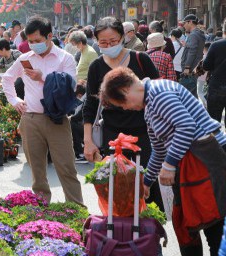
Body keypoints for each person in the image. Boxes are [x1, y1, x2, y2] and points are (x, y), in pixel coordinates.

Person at [100, 67, 226, 256]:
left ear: (126, 90)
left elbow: (186, 126)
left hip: (206, 158)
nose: (125, 108)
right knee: (186, 222)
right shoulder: (149, 106)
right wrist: (147, 181)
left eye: (122, 103)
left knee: (212, 219)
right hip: (191, 161)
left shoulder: (159, 93)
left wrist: (169, 165)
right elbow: (159, 149)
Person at [82, 16, 164, 212]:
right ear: (97, 41)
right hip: (113, 138)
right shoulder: (96, 67)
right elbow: (90, 106)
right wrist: (88, 141)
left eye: (113, 41)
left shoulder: (140, 59)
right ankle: (120, 233)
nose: (109, 45)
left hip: (144, 134)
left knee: (148, 187)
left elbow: (158, 92)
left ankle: (150, 233)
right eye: (103, 42)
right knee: (115, 187)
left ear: (123, 38)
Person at [0, 16, 84, 205]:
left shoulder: (65, 57)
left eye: (37, 41)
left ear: (49, 36)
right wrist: (14, 100)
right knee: (37, 170)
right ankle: (41, 210)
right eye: (29, 41)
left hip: (57, 119)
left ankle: (77, 210)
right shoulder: (25, 58)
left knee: (66, 168)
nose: (33, 45)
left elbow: (69, 87)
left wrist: (42, 77)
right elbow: (7, 79)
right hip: (30, 119)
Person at [203, 18, 226, 124]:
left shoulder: (216, 45)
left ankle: (218, 140)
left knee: (213, 122)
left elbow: (206, 66)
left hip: (217, 87)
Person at [180, 14, 206, 97]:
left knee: (187, 95)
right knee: (193, 94)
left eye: (185, 23)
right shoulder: (199, 33)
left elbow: (192, 52)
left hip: (191, 69)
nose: (183, 25)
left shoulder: (194, 35)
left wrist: (187, 67)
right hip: (196, 67)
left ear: (190, 22)